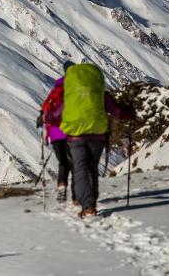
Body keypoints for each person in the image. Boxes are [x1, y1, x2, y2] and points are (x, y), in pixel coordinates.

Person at [60, 62, 134, 218]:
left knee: (80, 169)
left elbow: (57, 114)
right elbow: (118, 112)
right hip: (98, 136)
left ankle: (87, 205)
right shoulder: (99, 93)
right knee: (92, 168)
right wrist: (130, 112)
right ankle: (90, 201)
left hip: (76, 136)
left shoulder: (69, 95)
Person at [41, 60, 75, 203]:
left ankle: (61, 186)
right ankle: (77, 193)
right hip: (71, 132)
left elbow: (45, 109)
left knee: (63, 162)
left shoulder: (56, 90)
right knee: (75, 162)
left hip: (55, 133)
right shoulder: (77, 89)